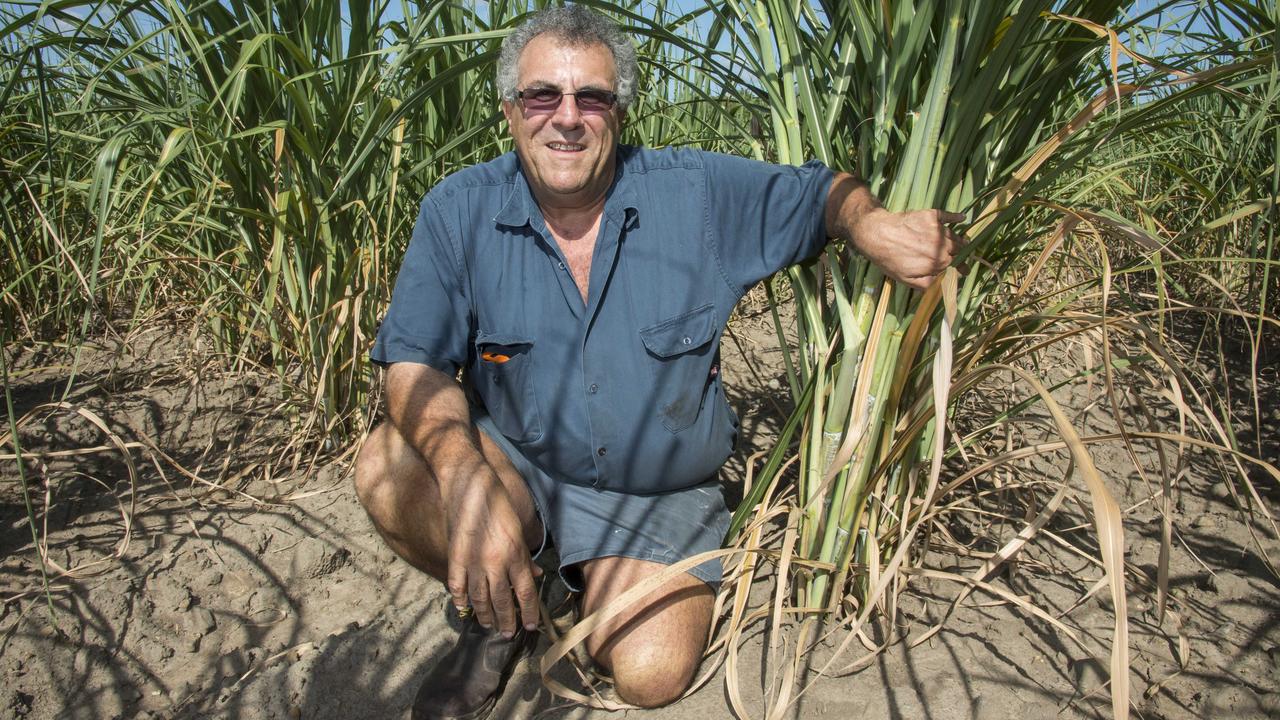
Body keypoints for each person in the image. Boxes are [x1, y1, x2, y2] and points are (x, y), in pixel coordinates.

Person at [354, 5, 963, 719]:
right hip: (517, 463)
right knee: (385, 468)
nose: (567, 117)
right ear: (510, 110)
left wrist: (873, 222)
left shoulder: (694, 193)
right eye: (543, 95)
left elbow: (821, 193)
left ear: (620, 112)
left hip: (656, 498)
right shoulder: (458, 209)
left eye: (593, 98)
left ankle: (574, 583)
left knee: (648, 673)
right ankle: (503, 618)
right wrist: (464, 483)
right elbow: (413, 365)